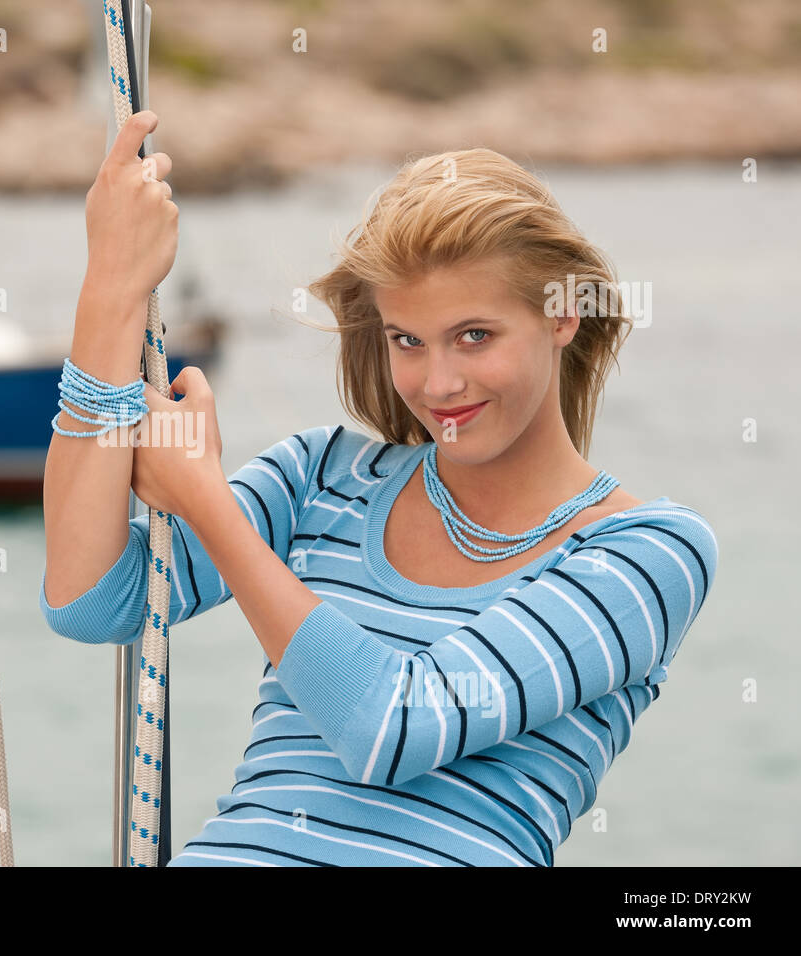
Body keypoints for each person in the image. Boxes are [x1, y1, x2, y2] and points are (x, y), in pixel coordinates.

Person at [39, 110, 718, 866]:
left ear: (561, 316)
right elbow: (91, 601)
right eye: (407, 340)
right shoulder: (321, 477)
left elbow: (395, 726)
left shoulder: (648, 551)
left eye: (474, 335)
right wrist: (110, 290)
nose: (439, 383)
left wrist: (201, 496)